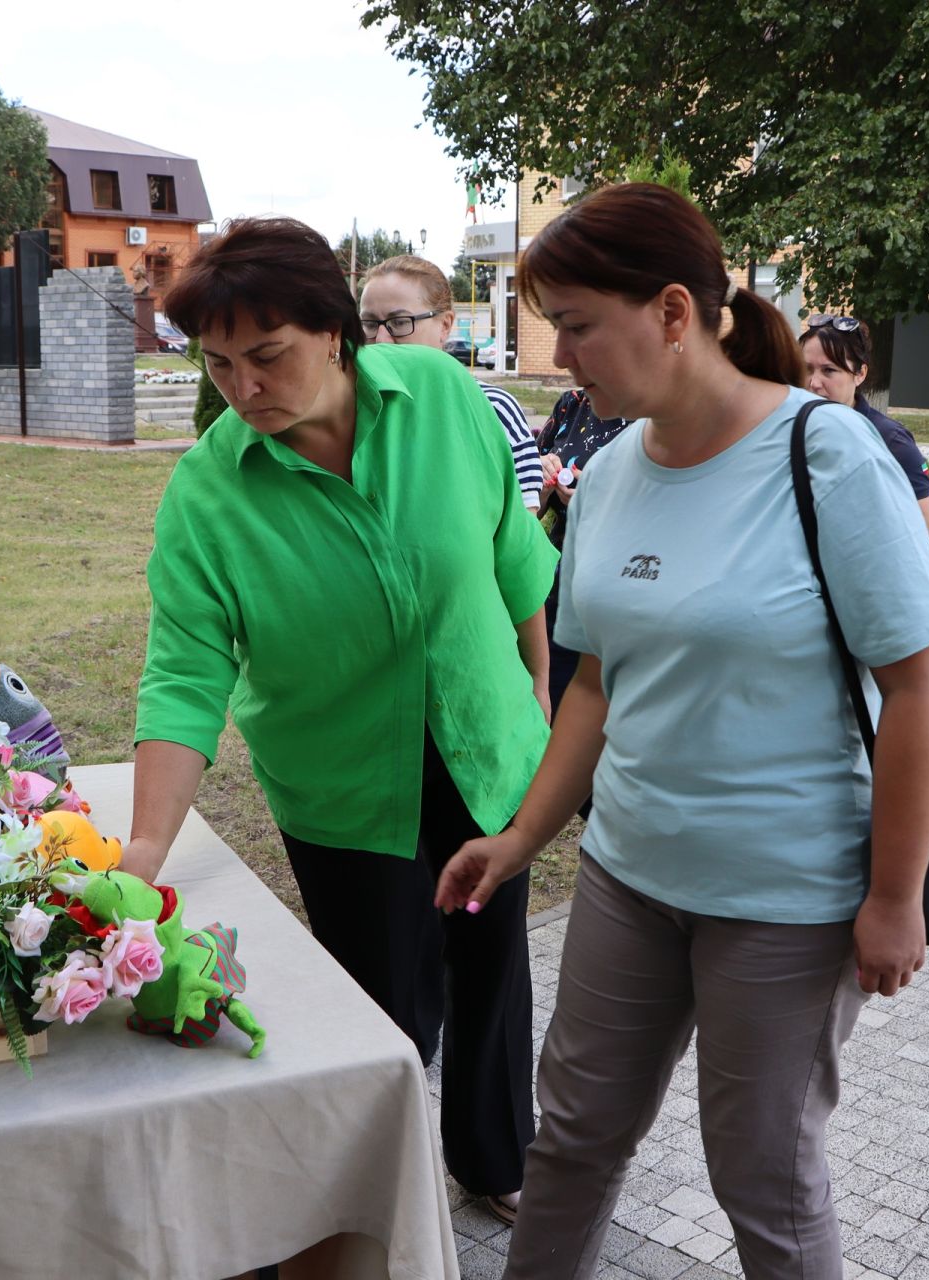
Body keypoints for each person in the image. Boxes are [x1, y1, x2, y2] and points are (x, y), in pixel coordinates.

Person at [431, 183, 929, 1279]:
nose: (562, 356)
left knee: (763, 1176)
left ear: (673, 312)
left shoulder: (830, 457)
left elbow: (918, 687)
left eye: (577, 325)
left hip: (788, 901)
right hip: (630, 876)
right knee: (571, 1141)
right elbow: (593, 687)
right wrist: (523, 835)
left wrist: (895, 896)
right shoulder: (614, 472)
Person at [125, 217, 557, 1222]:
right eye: (219, 363)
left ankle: (497, 1156)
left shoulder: (447, 399)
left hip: (485, 746)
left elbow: (513, 547)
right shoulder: (208, 494)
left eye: (267, 355)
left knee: (492, 968)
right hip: (344, 782)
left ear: (335, 330)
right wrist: (148, 839)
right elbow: (185, 673)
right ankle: (381, 1207)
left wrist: (538, 681)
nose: (242, 387)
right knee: (381, 1007)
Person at [360, 254, 545, 512]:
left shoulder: (492, 408)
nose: (381, 339)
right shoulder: (351, 411)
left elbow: (524, 525)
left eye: (399, 323)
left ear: (445, 325)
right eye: (369, 323)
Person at [534, 386, 631, 712]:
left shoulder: (667, 420)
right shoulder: (573, 404)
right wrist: (542, 485)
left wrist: (600, 505)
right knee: (553, 710)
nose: (563, 356)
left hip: (623, 601)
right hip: (558, 596)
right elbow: (526, 506)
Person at [799, 315, 929, 530]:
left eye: (829, 370)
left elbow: (922, 526)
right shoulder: (791, 430)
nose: (814, 383)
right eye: (807, 369)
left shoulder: (891, 440)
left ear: (860, 374)